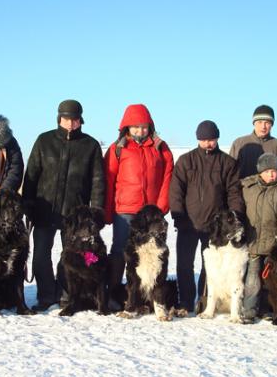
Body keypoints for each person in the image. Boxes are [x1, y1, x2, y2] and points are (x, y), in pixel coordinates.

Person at [22, 100, 105, 309]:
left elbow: (97, 180)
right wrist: (27, 204)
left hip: (75, 215)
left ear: (80, 121)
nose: (70, 123)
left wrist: (96, 211)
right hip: (44, 209)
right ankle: (46, 295)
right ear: (59, 118)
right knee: (41, 254)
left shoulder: (91, 145)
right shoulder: (44, 141)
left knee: (70, 258)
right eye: (67, 119)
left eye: (75, 120)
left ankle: (66, 294)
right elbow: (31, 175)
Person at [169, 120, 244, 312]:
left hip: (215, 226)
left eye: (211, 139)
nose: (207, 143)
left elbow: (234, 193)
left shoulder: (227, 163)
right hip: (188, 223)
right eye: (203, 140)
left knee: (208, 267)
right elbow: (176, 191)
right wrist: (179, 217)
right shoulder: (186, 161)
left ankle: (203, 301)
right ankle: (185, 302)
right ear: (197, 139)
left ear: (217, 138)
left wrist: (235, 217)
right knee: (184, 265)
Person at [103, 104, 174, 305]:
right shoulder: (118, 148)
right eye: (135, 127)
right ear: (126, 127)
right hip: (125, 210)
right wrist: (108, 211)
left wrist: (160, 207)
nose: (140, 131)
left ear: (150, 127)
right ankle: (115, 293)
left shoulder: (160, 147)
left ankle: (148, 294)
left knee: (151, 253)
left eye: (144, 127)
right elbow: (109, 179)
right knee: (119, 251)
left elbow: (168, 176)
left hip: (151, 214)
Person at [240, 153, 277, 323]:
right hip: (253, 242)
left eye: (274, 171)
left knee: (270, 280)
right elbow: (240, 211)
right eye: (267, 171)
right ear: (260, 171)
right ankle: (249, 310)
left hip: (274, 244)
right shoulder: (247, 188)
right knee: (252, 279)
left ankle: (266, 309)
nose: (271, 174)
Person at [229, 104, 277, 179]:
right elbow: (230, 172)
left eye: (267, 123)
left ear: (272, 125)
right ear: (254, 123)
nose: (263, 126)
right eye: (259, 122)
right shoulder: (239, 144)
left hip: (273, 190)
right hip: (244, 190)